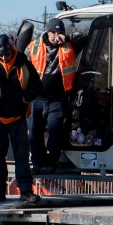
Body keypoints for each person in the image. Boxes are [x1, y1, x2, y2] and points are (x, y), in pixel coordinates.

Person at [0, 34, 43, 204]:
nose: (4, 57)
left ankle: (26, 192)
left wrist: (26, 97)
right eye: (1, 54)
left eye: (6, 54)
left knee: (22, 156)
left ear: (12, 49)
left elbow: (37, 86)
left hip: (18, 117)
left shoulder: (23, 64)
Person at [27, 18, 87, 173]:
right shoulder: (34, 46)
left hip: (57, 99)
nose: (56, 35)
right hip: (37, 98)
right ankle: (37, 162)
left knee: (55, 131)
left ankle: (51, 162)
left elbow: (85, 37)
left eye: (60, 32)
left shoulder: (69, 46)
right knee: (34, 132)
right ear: (48, 32)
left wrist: (66, 39)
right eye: (54, 32)